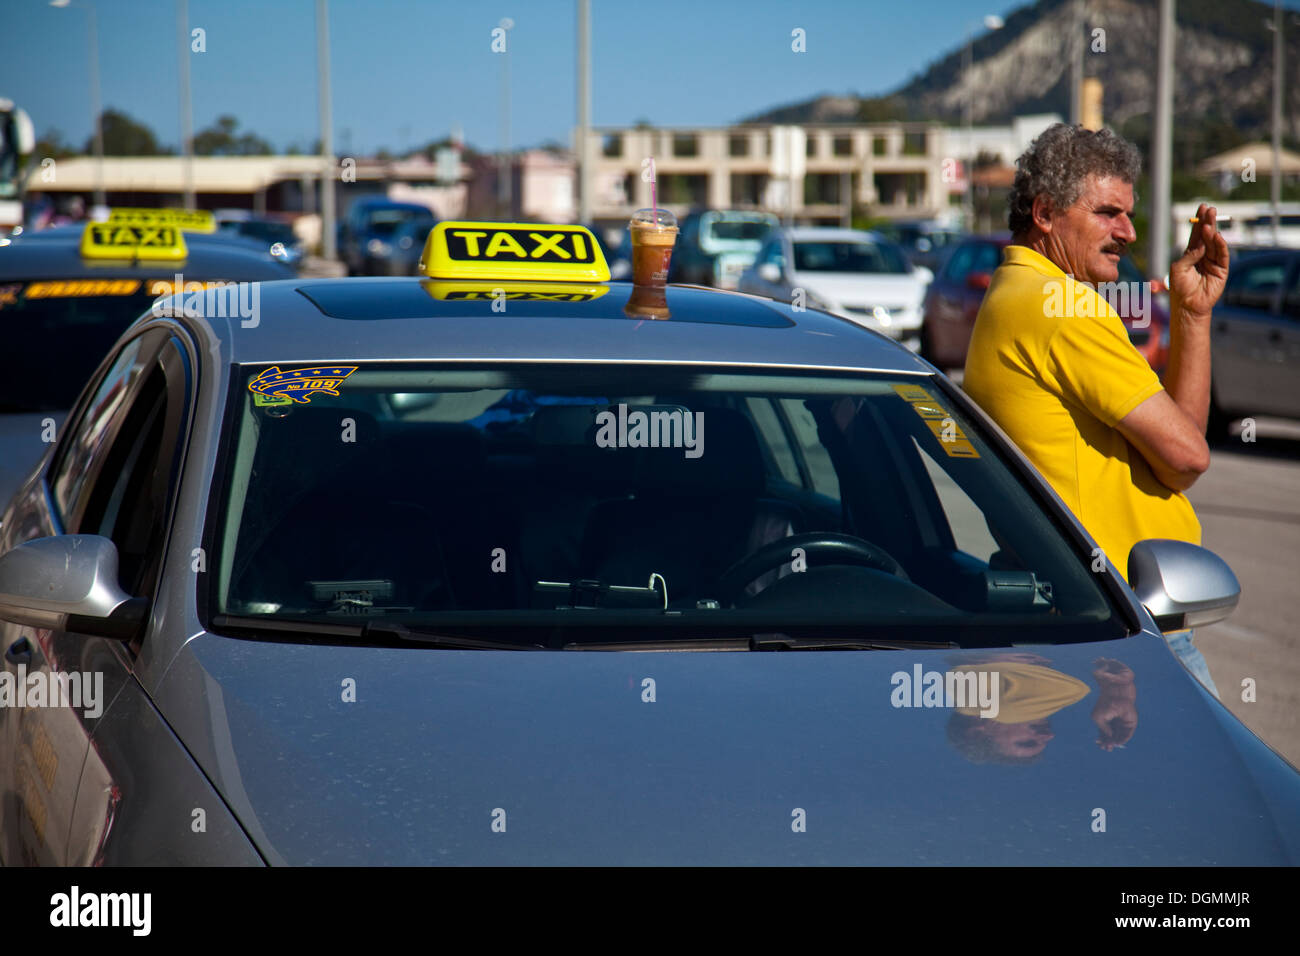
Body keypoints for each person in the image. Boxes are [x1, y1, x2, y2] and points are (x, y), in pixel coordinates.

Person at [963, 123, 1229, 696]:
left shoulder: (1015, 295)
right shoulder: (1063, 309)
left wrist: (1191, 313)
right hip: (1122, 627)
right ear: (1045, 213)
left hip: (1084, 613)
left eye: (1128, 214)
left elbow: (1182, 441)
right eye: (1108, 212)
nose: (1128, 231)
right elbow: (1187, 458)